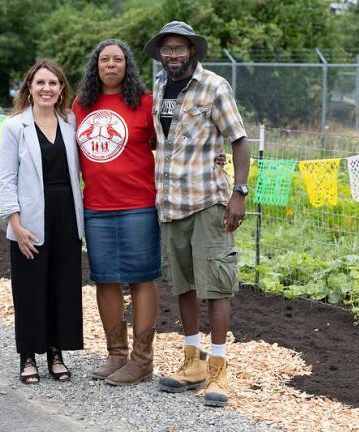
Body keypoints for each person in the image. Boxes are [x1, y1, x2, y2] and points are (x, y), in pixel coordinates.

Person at [144, 21, 250, 407]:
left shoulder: (214, 87)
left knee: (216, 284)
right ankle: (193, 361)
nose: (172, 55)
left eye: (179, 48)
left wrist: (238, 192)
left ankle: (218, 368)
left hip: (207, 201)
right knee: (183, 284)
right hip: (171, 204)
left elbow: (238, 140)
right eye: (166, 49)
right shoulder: (158, 88)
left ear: (192, 51)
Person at [72, 39, 160, 386]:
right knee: (104, 279)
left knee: (141, 277)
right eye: (104, 59)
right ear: (96, 66)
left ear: (128, 66)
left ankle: (142, 360)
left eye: (118, 60)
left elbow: (162, 146)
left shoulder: (144, 104)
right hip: (96, 206)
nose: (111, 65)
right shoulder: (81, 106)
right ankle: (116, 355)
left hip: (138, 205)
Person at [0, 59, 84, 385]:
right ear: (30, 89)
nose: (47, 88)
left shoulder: (70, 123)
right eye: (40, 83)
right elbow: (6, 180)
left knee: (63, 288)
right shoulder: (13, 127)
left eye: (53, 83)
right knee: (31, 289)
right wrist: (16, 226)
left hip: (66, 216)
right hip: (30, 219)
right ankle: (28, 356)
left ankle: (56, 353)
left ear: (62, 89)